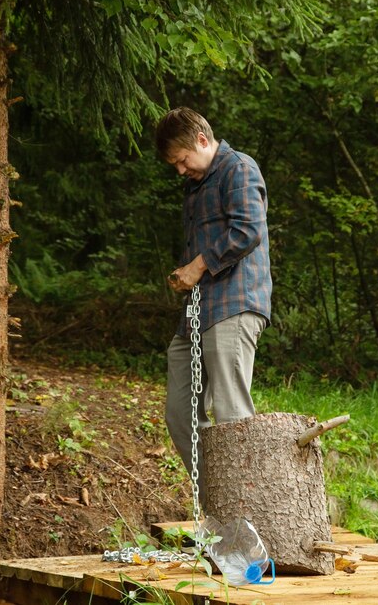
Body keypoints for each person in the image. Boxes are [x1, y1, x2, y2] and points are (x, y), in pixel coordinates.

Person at [155, 107, 272, 509]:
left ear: (202, 141)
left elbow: (248, 230)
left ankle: (250, 517)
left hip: (235, 305)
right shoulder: (196, 184)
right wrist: (187, 276)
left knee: (231, 414)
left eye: (182, 160)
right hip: (197, 312)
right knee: (180, 413)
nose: (180, 170)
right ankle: (221, 506)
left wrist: (197, 265)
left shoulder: (238, 168)